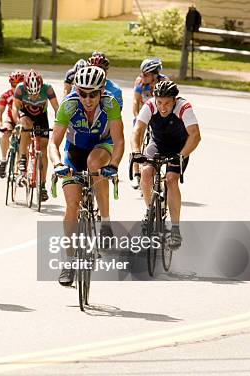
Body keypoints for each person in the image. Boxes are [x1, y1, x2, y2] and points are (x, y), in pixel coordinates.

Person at [48, 66, 125, 286]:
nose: (88, 99)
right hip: (74, 152)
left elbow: (119, 141)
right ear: (76, 90)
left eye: (93, 94)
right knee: (72, 205)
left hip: (102, 147)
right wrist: (57, 164)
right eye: (83, 93)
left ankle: (106, 223)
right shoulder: (69, 105)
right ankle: (70, 261)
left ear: (102, 91)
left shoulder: (110, 104)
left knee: (94, 164)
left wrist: (114, 165)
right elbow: (54, 143)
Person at [131, 81, 201, 250]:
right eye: (159, 102)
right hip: (158, 144)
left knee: (171, 179)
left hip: (179, 148)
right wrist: (135, 152)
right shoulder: (149, 105)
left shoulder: (184, 107)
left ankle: (175, 229)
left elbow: (195, 136)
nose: (163, 107)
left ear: (174, 100)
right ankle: (150, 212)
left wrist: (181, 156)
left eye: (167, 103)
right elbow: (138, 131)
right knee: (146, 173)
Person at [13, 69, 60, 201]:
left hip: (41, 117)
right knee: (25, 126)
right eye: (31, 94)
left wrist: (58, 124)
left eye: (36, 94)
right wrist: (17, 123)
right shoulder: (20, 88)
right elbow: (15, 107)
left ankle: (43, 185)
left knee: (43, 149)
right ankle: (23, 159)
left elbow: (57, 108)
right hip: (25, 115)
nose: (33, 97)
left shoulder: (48, 89)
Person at [131, 57, 168, 189]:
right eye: (141, 73)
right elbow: (135, 101)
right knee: (137, 138)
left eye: (146, 75)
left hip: (159, 115)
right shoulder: (140, 82)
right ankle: (136, 174)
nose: (142, 76)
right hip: (143, 113)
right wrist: (136, 116)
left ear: (155, 75)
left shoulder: (164, 82)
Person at [0, 71, 25, 178]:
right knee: (4, 134)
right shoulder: (6, 95)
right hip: (10, 119)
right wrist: (0, 124)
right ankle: (4, 160)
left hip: (23, 120)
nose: (16, 87)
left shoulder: (28, 94)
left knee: (23, 141)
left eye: (19, 84)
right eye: (13, 85)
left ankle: (19, 171)